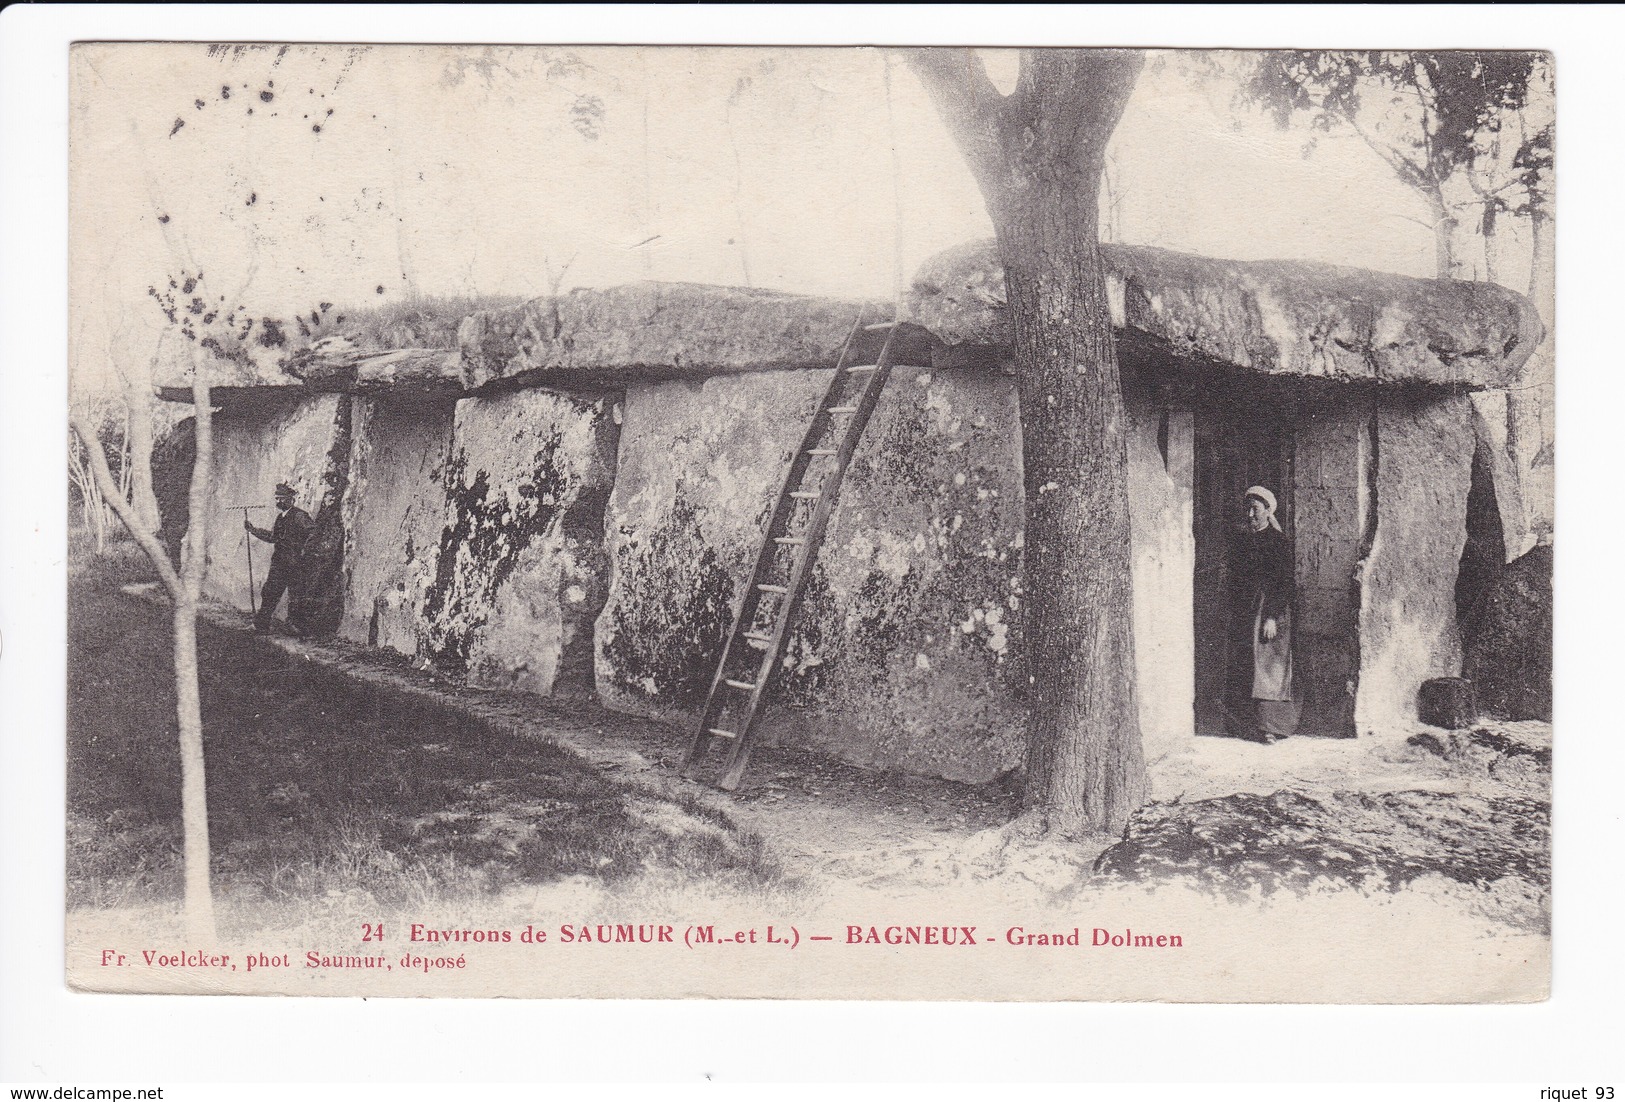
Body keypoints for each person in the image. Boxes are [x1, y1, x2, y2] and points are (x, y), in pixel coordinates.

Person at [1225, 484, 1298, 743]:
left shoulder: (1279, 543)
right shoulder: (1242, 541)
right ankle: (1247, 725)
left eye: (1255, 509)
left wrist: (1271, 617)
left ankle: (1272, 728)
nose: (1250, 515)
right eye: (1247, 509)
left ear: (1268, 511)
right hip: (1248, 610)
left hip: (1270, 612)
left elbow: (1284, 582)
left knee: (1269, 669)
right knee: (1245, 666)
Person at [246, 482, 313, 634]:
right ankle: (261, 625)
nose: (278, 502)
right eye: (277, 499)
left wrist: (303, 551)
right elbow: (273, 537)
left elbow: (313, 533)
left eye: (282, 498)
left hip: (295, 563)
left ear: (291, 499)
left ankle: (296, 628)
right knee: (269, 592)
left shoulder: (300, 516)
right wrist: (253, 530)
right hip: (279, 563)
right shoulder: (280, 518)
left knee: (296, 595)